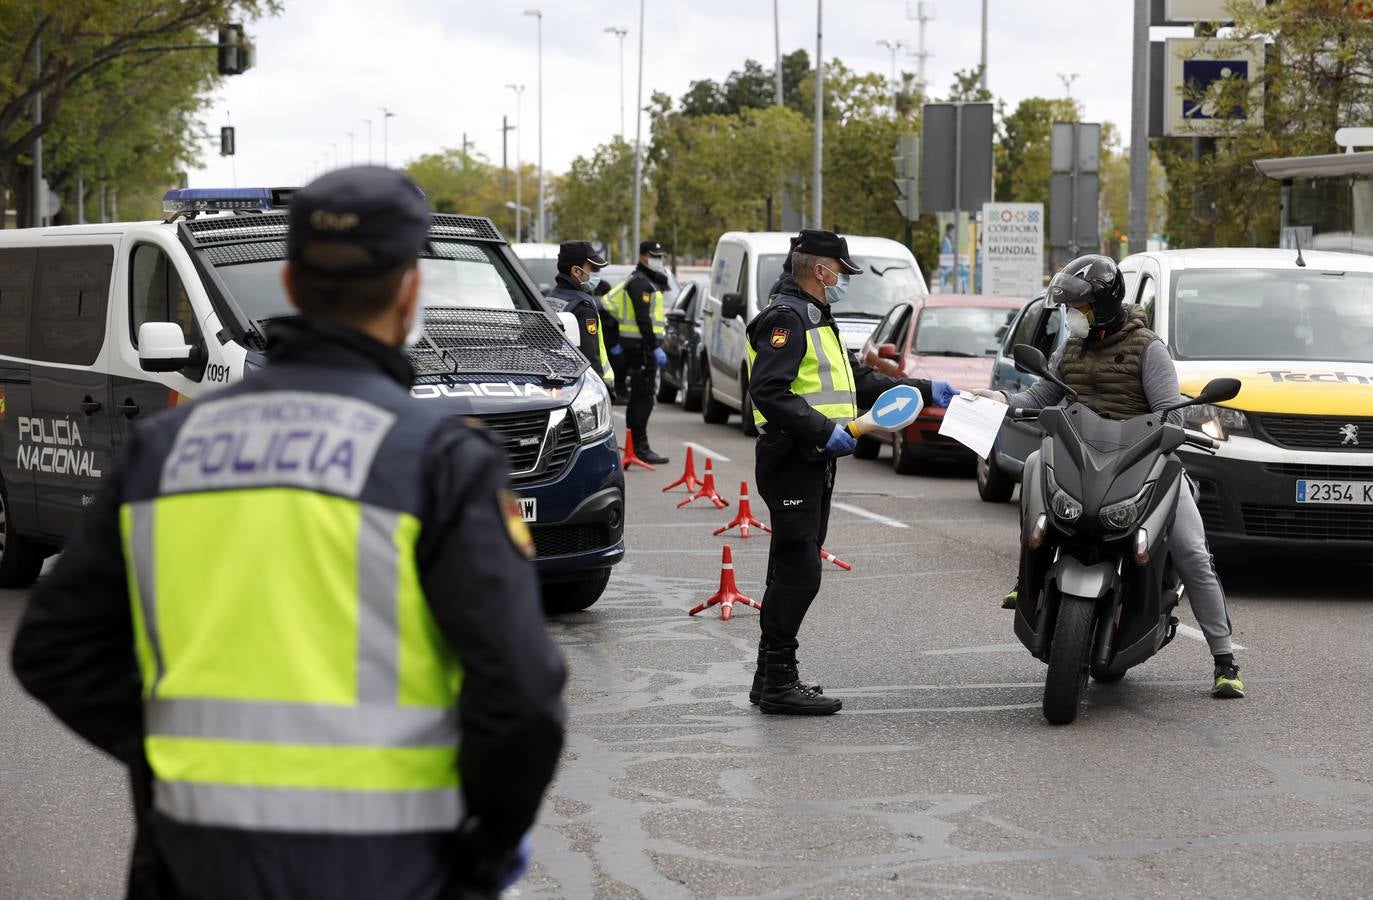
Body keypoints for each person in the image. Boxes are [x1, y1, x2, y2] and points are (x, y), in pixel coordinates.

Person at [10, 166, 569, 899]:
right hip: (389, 867)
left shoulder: (167, 449)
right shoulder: (436, 462)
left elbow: (55, 649)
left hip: (195, 862)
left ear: (294, 287)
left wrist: (168, 758)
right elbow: (521, 698)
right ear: (409, 292)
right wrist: (482, 855)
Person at [974, 254, 1244, 699]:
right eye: (1066, 309)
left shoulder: (1147, 348)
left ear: (1101, 306)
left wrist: (1180, 428)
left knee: (1193, 552)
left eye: (1076, 309)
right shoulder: (1072, 348)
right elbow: (1042, 393)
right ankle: (1029, 577)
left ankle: (1224, 658)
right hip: (1081, 460)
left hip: (1140, 462)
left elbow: (1167, 411)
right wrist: (998, 398)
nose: (1070, 318)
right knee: (1033, 474)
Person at [745, 229, 957, 715]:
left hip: (810, 458)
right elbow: (770, 391)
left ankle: (768, 678)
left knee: (788, 568)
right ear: (820, 270)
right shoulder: (788, 319)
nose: (843, 279)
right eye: (840, 270)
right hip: (794, 458)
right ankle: (779, 680)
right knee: (800, 573)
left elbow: (854, 379)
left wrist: (922, 389)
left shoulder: (815, 316)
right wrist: (822, 431)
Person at [606, 239, 672, 464]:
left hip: (638, 347)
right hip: (642, 348)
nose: (659, 260)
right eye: (655, 256)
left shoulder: (644, 280)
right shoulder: (640, 284)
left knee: (640, 397)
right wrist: (655, 347)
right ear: (643, 256)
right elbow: (643, 319)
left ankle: (636, 446)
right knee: (643, 398)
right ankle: (640, 447)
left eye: (661, 256)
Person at [546, 240, 615, 389]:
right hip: (584, 386)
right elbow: (590, 356)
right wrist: (599, 388)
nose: (596, 274)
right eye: (593, 269)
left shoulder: (551, 298)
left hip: (558, 380)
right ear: (576, 272)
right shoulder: (583, 306)